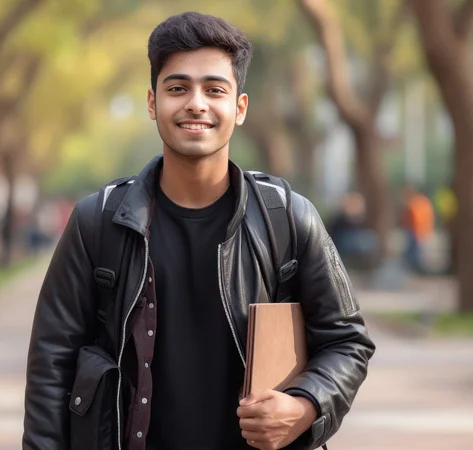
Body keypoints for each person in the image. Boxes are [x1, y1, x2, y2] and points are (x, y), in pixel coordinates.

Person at [22, 12, 375, 450]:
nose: (196, 104)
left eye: (214, 89)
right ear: (153, 103)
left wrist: (305, 405)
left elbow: (348, 341)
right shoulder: (97, 223)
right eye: (177, 88)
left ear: (239, 108)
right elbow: (50, 366)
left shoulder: (288, 219)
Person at [401, 184, 436, 275]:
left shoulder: (417, 203)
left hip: (418, 231)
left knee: (417, 252)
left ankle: (418, 269)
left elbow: (418, 219)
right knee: (413, 252)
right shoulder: (418, 202)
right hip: (414, 231)